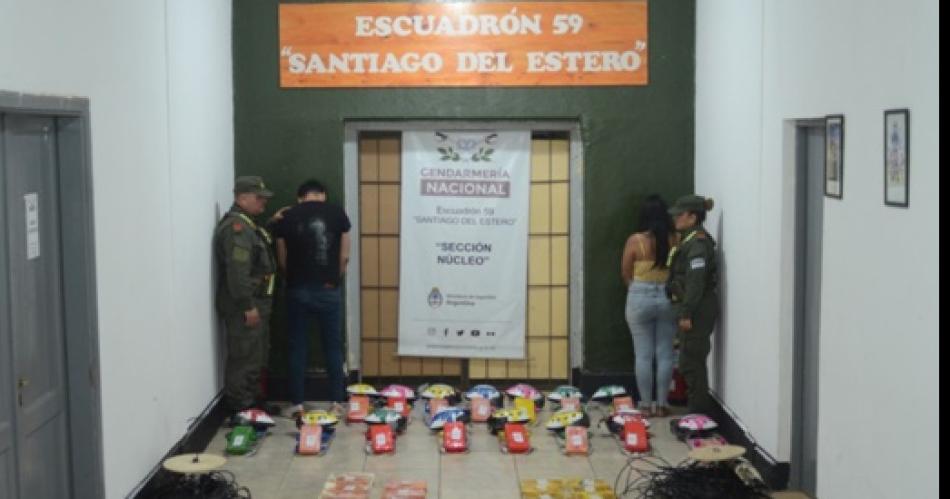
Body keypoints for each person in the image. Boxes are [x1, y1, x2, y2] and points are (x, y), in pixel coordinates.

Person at [272, 179, 352, 418]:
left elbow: (282, 258)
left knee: (297, 347)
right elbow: (344, 256)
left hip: (297, 289)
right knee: (333, 347)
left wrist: (293, 278)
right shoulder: (338, 214)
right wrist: (333, 279)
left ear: (300, 197)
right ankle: (336, 402)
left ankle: (297, 404)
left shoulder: (286, 217)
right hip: (329, 289)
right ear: (323, 195)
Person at [214, 176, 278, 413]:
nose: (263, 202)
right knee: (244, 358)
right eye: (258, 198)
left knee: (256, 355)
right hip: (245, 306)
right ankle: (241, 408)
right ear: (242, 198)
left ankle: (254, 403)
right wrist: (247, 305)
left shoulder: (249, 226)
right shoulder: (237, 230)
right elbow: (238, 272)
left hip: (257, 303)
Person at [621, 195, 676, 418]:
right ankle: (662, 405)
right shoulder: (675, 239)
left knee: (643, 356)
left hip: (639, 296)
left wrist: (637, 289)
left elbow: (625, 273)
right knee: (665, 354)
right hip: (668, 297)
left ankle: (645, 405)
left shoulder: (635, 241)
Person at [666, 195, 719, 414]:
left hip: (697, 310)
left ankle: (698, 416)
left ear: (693, 217)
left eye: (680, 215)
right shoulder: (688, 241)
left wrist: (686, 313)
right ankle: (696, 413)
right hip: (693, 307)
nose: (676, 219)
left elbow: (696, 283)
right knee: (689, 361)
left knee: (692, 363)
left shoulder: (697, 244)